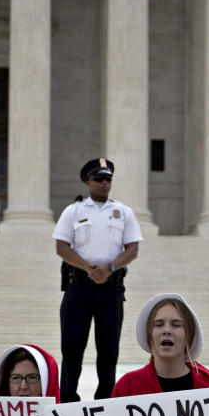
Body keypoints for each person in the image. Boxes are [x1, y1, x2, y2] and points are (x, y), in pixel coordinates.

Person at [54, 158, 143, 401]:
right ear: (87, 182)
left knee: (108, 352)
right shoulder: (74, 211)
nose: (105, 183)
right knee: (72, 350)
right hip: (79, 287)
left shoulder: (123, 212)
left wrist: (110, 267)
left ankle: (105, 401)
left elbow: (132, 249)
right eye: (99, 179)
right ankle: (67, 400)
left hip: (110, 289)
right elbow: (61, 246)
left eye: (108, 179)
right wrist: (88, 267)